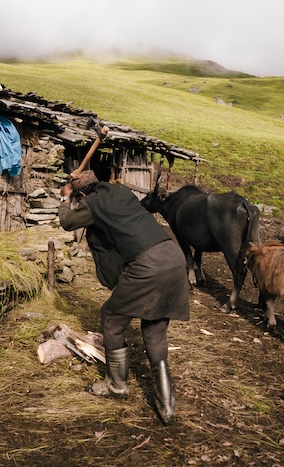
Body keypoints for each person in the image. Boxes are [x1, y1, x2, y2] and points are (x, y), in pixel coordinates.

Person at [57, 169, 190, 425]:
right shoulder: (119, 191)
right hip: (173, 257)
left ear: (83, 194)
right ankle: (167, 405)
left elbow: (68, 222)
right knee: (154, 330)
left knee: (111, 318)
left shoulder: (91, 201)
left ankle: (116, 385)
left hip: (147, 263)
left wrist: (65, 198)